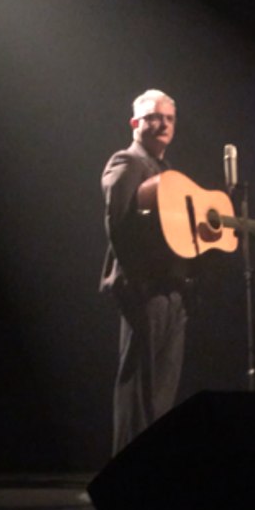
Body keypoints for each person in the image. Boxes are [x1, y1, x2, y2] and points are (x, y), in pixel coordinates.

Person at [100, 89, 192, 455]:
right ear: (135, 123)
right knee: (139, 381)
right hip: (143, 287)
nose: (163, 124)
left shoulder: (167, 171)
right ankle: (125, 466)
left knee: (163, 384)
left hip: (169, 287)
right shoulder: (127, 161)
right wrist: (136, 278)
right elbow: (117, 224)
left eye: (169, 118)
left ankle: (152, 463)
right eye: (154, 116)